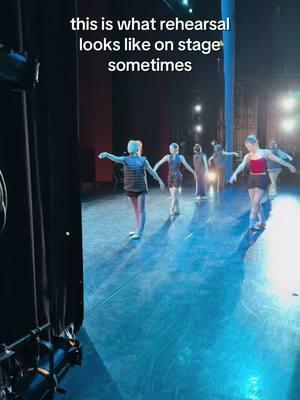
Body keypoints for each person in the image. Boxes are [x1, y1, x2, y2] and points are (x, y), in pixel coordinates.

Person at [98, 140, 165, 240]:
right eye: (128, 145)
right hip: (130, 188)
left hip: (141, 188)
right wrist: (106, 154)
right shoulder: (125, 159)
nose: (129, 147)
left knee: (141, 210)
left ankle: (140, 232)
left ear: (136, 148)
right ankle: (138, 229)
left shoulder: (143, 160)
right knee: (136, 211)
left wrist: (160, 181)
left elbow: (151, 171)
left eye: (131, 145)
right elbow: (115, 158)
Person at [229, 135, 296, 231]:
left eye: (249, 146)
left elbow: (279, 159)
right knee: (255, 203)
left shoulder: (265, 153)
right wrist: (234, 173)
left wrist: (289, 166)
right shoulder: (248, 155)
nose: (248, 148)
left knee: (256, 202)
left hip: (262, 178)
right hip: (252, 178)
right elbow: (242, 165)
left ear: (255, 144)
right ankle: (262, 221)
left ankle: (251, 223)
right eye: (246, 147)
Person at [154, 143, 196, 216]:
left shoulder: (180, 157)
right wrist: (154, 171)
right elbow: (158, 163)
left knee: (174, 196)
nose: (170, 150)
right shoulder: (167, 157)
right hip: (170, 177)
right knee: (174, 196)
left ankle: (171, 211)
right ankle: (178, 210)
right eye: (169, 148)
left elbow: (187, 166)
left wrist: (194, 172)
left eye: (171, 148)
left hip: (177, 176)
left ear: (176, 149)